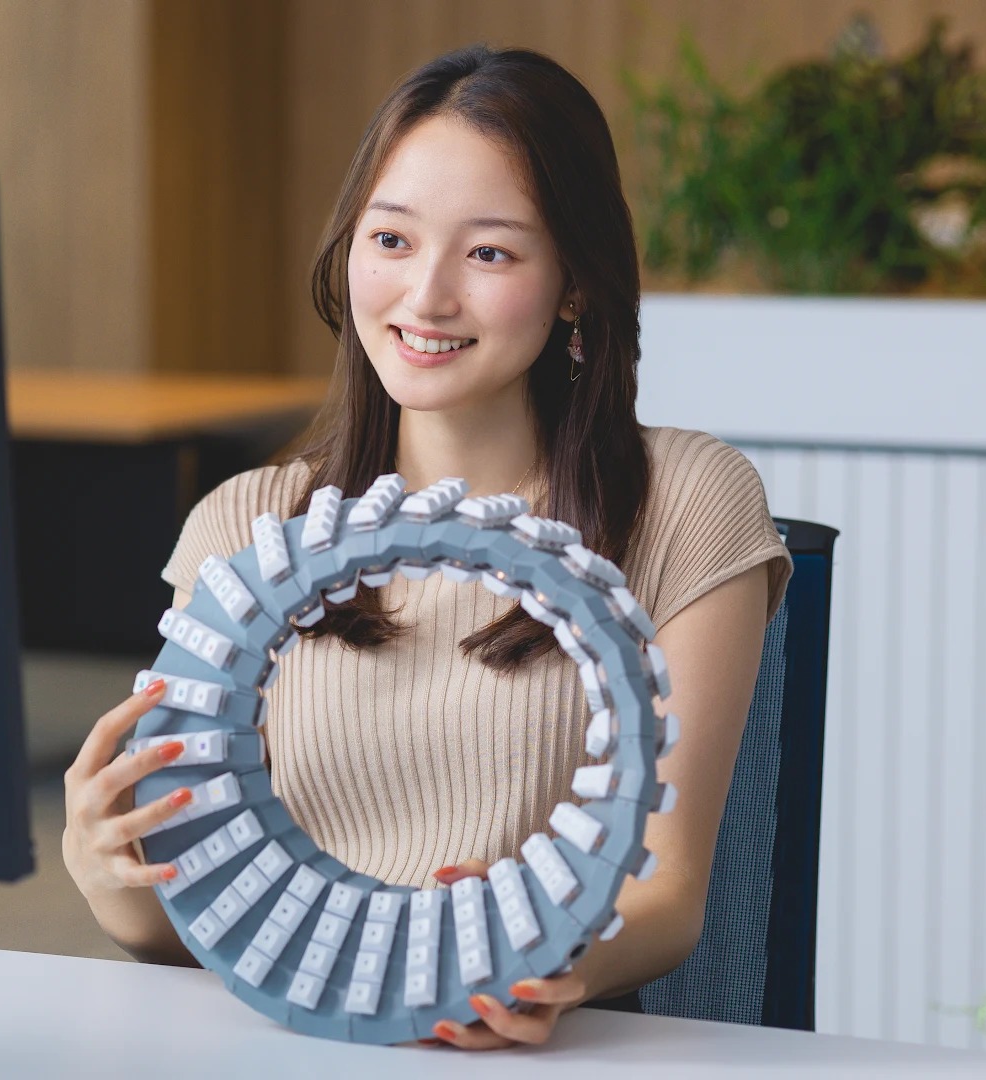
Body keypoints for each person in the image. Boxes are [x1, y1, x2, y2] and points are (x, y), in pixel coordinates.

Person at [63, 43, 790, 1050]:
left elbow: (665, 892)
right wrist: (113, 871)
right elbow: (185, 923)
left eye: (489, 253)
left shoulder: (685, 501)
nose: (427, 296)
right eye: (392, 239)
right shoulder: (245, 527)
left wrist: (542, 966)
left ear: (575, 284)